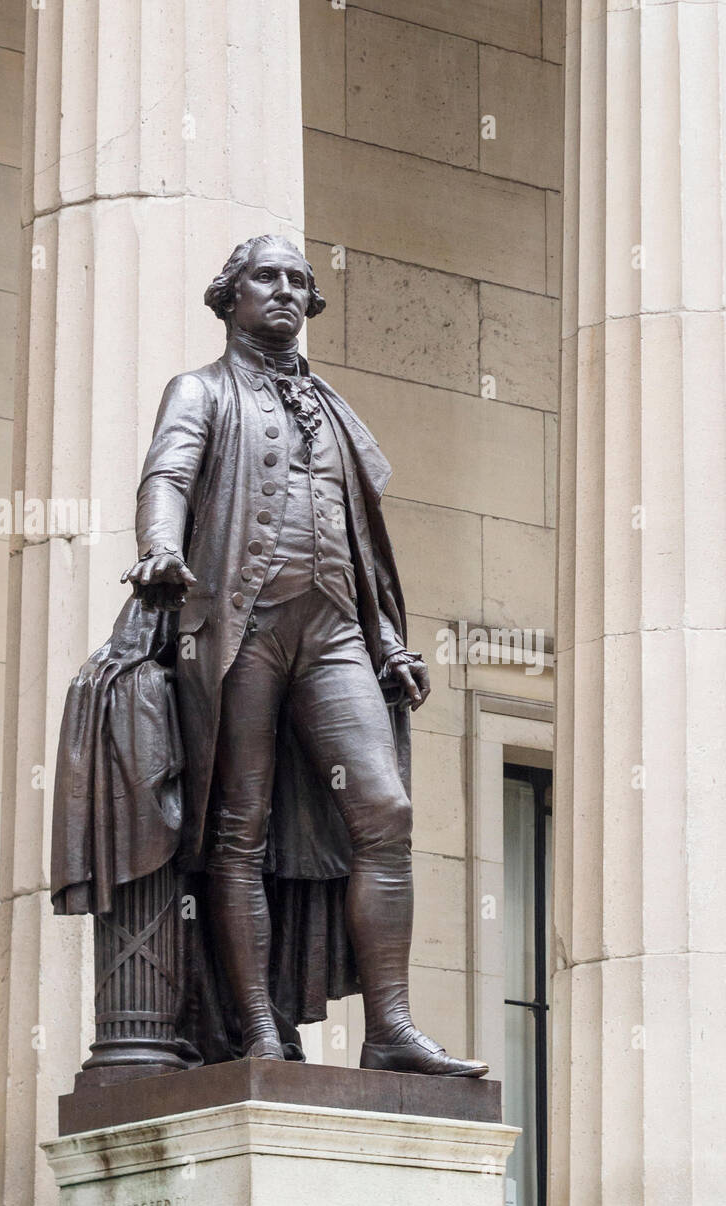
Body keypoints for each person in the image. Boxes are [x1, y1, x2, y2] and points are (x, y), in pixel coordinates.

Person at [120, 234, 486, 1078]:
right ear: (231, 297)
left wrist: (387, 636)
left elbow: (361, 535)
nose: (284, 291)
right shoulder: (202, 391)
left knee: (385, 812)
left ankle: (390, 1024)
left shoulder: (332, 405)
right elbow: (167, 477)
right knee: (238, 828)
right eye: (265, 278)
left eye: (298, 280)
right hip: (239, 625)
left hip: (333, 634)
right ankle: (258, 1029)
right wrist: (160, 551)